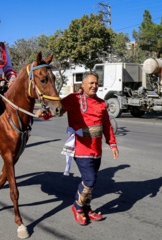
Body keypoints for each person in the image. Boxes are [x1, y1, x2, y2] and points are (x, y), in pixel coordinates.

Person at [36, 71, 119, 225]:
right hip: (81, 148)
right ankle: (78, 207)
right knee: (89, 179)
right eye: (91, 83)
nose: (94, 86)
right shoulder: (74, 99)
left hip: (97, 149)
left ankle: (87, 209)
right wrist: (44, 113)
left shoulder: (101, 103)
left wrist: (112, 143)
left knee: (91, 182)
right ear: (83, 84)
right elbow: (58, 109)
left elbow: (106, 125)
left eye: (96, 83)